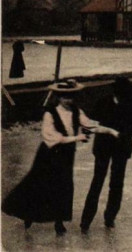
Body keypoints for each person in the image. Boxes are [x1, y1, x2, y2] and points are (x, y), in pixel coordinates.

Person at [3, 80, 119, 236]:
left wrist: (111, 131)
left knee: (63, 187)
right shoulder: (49, 113)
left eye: (71, 96)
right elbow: (52, 138)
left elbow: (91, 125)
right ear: (58, 97)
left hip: (66, 156)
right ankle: (29, 214)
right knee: (39, 184)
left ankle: (59, 222)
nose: (68, 100)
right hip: (49, 155)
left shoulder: (76, 111)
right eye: (64, 97)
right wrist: (77, 138)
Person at [80, 77, 132, 233]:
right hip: (103, 147)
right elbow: (93, 121)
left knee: (116, 183)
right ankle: (86, 221)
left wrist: (123, 134)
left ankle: (110, 217)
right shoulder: (103, 103)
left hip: (121, 148)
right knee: (97, 181)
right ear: (115, 92)